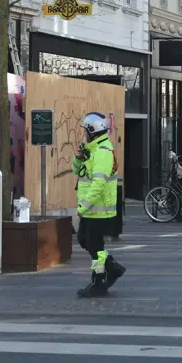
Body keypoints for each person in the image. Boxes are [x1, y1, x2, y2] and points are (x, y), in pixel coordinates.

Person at [74, 111, 124, 298]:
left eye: (86, 131)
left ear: (93, 131)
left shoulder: (102, 153)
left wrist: (82, 207)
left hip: (98, 210)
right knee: (85, 241)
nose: (84, 134)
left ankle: (99, 281)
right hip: (92, 210)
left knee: (95, 247)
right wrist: (79, 157)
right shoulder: (93, 150)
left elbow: (98, 183)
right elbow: (77, 172)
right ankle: (111, 267)